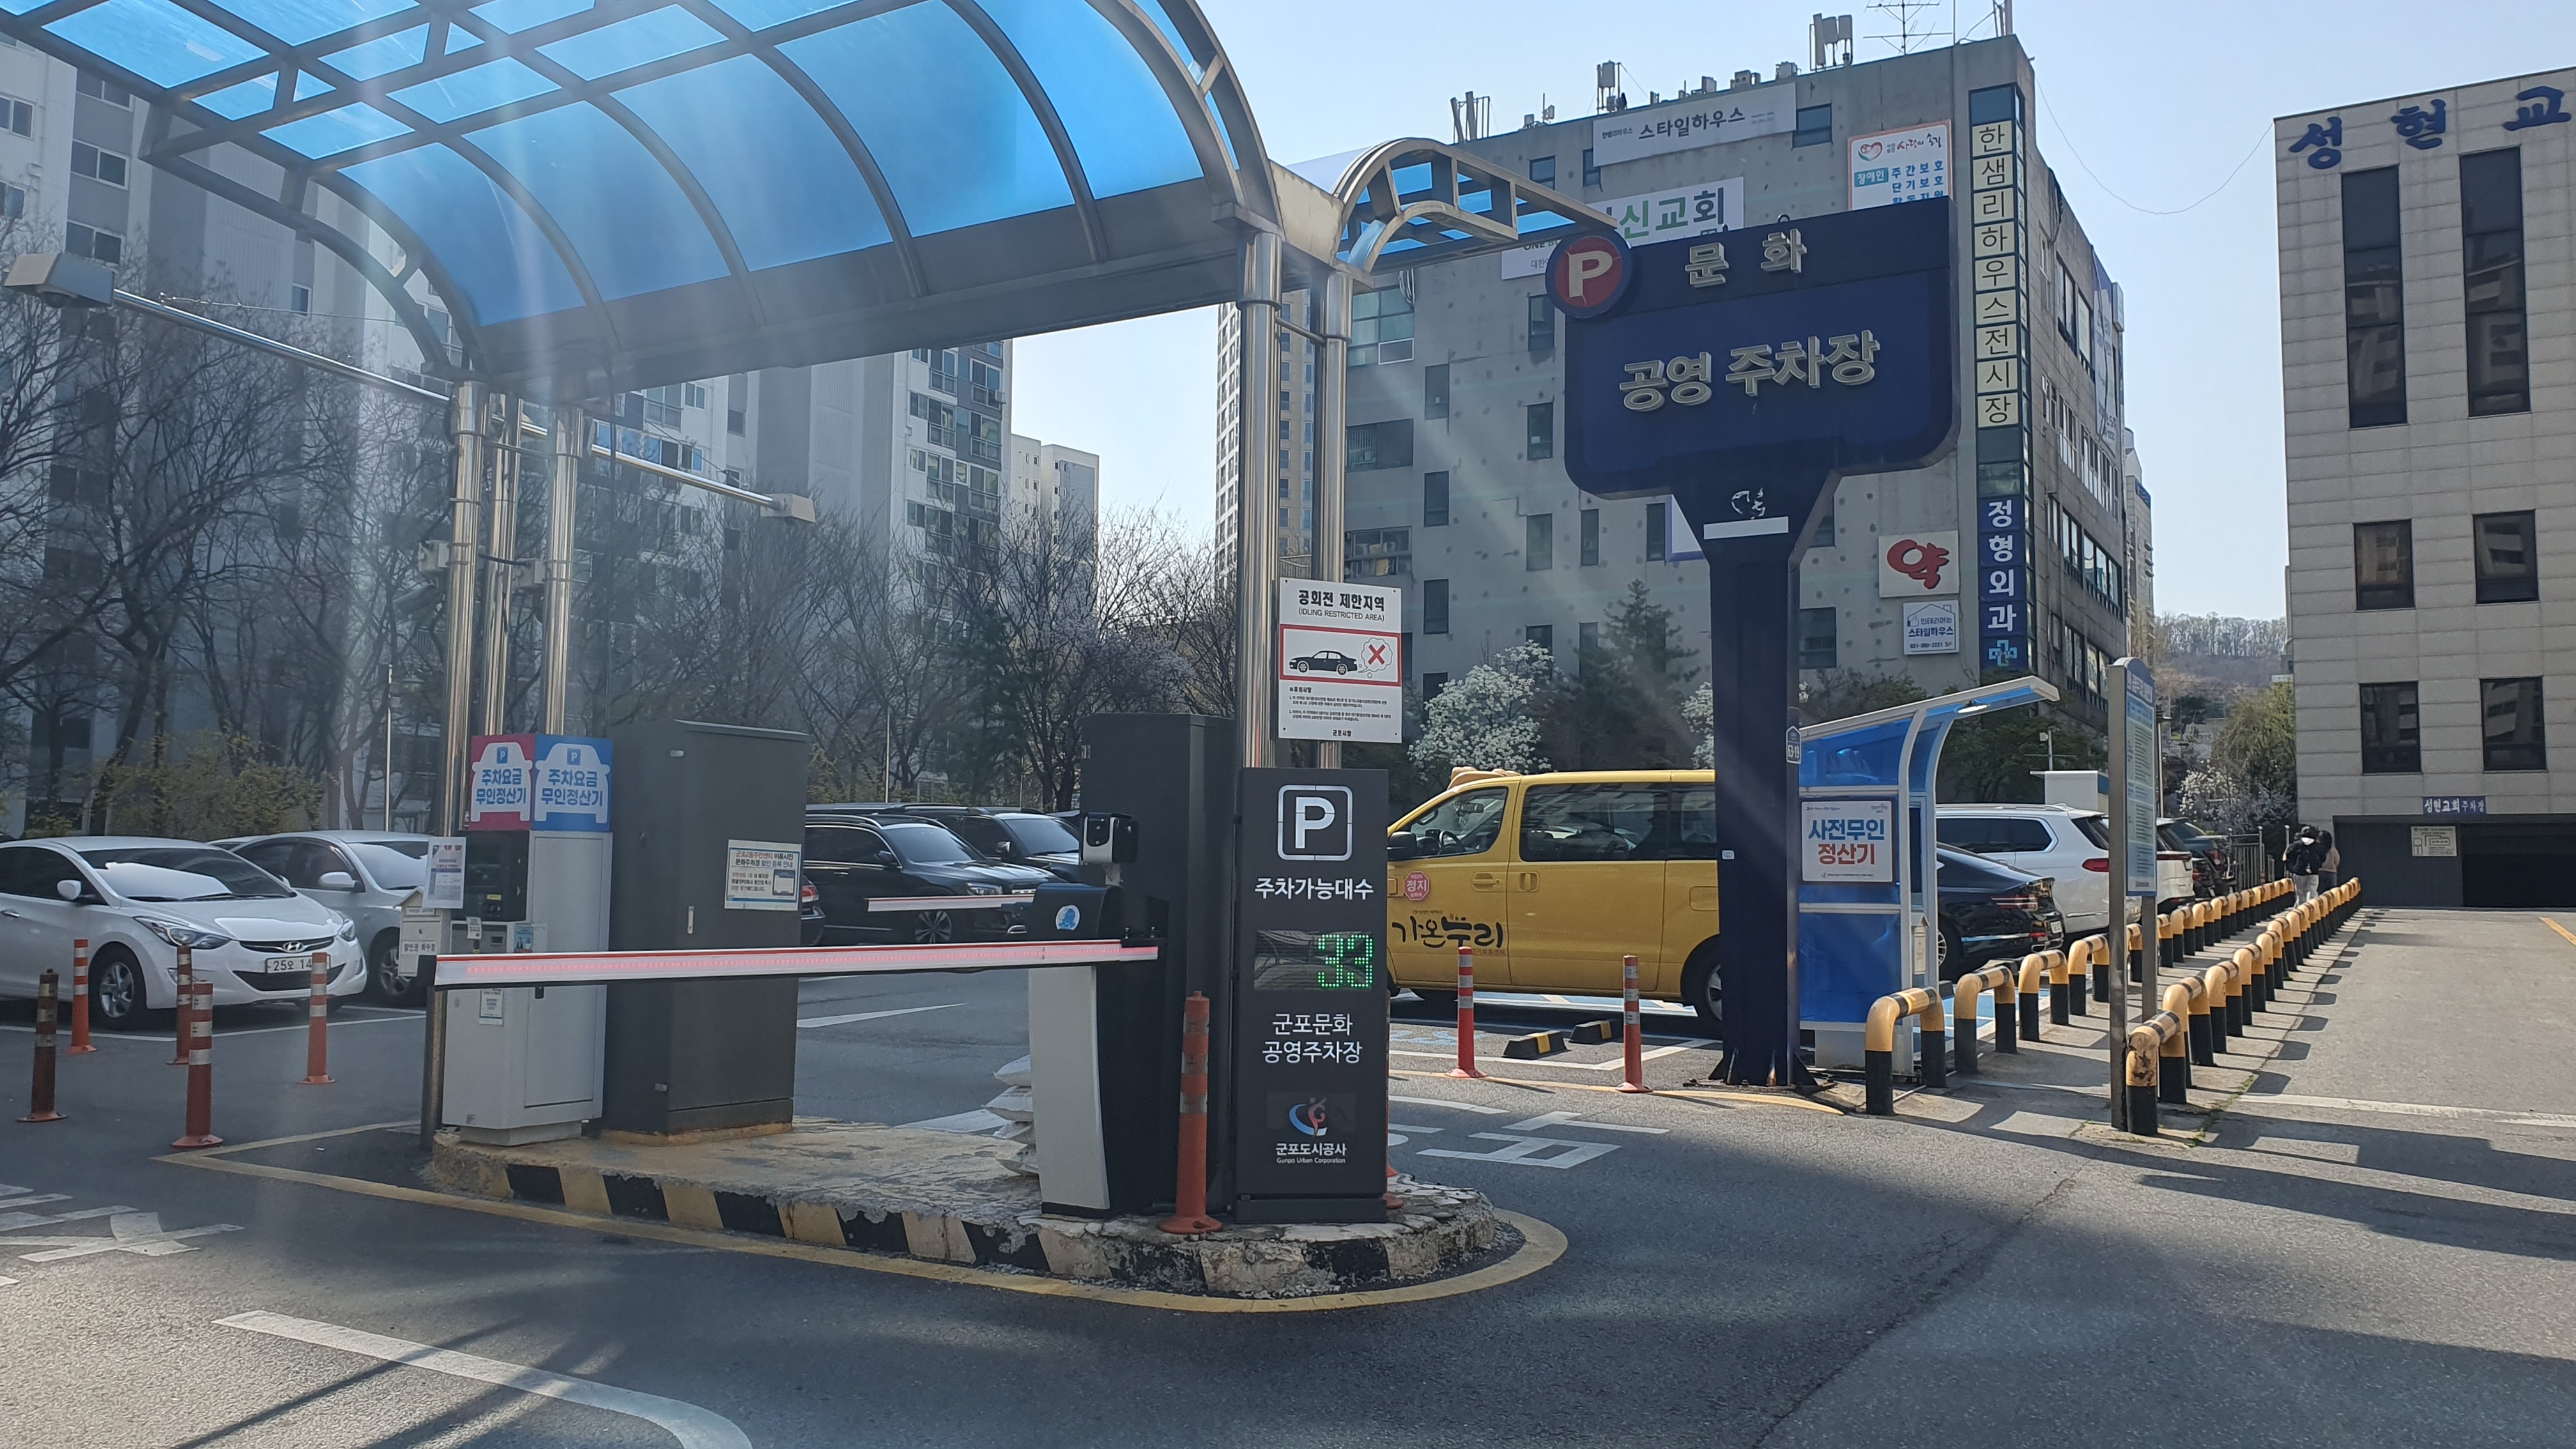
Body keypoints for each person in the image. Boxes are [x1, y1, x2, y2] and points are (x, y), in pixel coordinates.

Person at [2285, 825, 2324, 903]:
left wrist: (2292, 867)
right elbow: (2323, 857)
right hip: (2314, 872)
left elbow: (2289, 855)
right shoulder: (2318, 846)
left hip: (2299, 872)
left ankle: (2301, 908)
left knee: (2301, 894)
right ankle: (2311, 907)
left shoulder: (2296, 845)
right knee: (2312, 892)